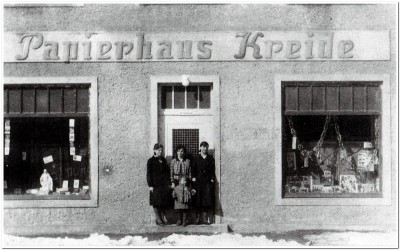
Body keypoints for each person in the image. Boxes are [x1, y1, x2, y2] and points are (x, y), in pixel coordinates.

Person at [192, 141, 216, 225]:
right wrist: (193, 178)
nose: (205, 149)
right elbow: (193, 170)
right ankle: (198, 218)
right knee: (198, 200)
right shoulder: (196, 158)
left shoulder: (210, 158)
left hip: (207, 182)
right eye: (203, 147)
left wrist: (212, 178)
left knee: (206, 200)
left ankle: (205, 219)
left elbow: (213, 170)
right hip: (198, 182)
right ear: (200, 148)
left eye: (206, 147)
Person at [147, 143, 171, 226]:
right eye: (158, 150)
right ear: (154, 150)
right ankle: (158, 219)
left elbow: (167, 173)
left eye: (161, 150)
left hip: (163, 185)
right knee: (156, 202)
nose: (160, 152)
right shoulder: (150, 161)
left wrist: (168, 183)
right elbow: (149, 174)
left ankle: (161, 218)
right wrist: (150, 185)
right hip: (155, 185)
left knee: (162, 202)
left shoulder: (163, 160)